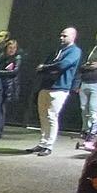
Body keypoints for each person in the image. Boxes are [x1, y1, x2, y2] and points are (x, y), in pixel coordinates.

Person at [33, 26, 81, 156]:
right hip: (46, 85)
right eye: (61, 35)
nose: (61, 38)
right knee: (42, 115)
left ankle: (49, 145)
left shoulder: (75, 51)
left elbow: (63, 65)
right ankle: (42, 142)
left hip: (60, 87)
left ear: (73, 36)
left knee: (51, 116)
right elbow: (46, 65)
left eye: (64, 36)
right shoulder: (57, 50)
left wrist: (45, 67)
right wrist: (46, 67)